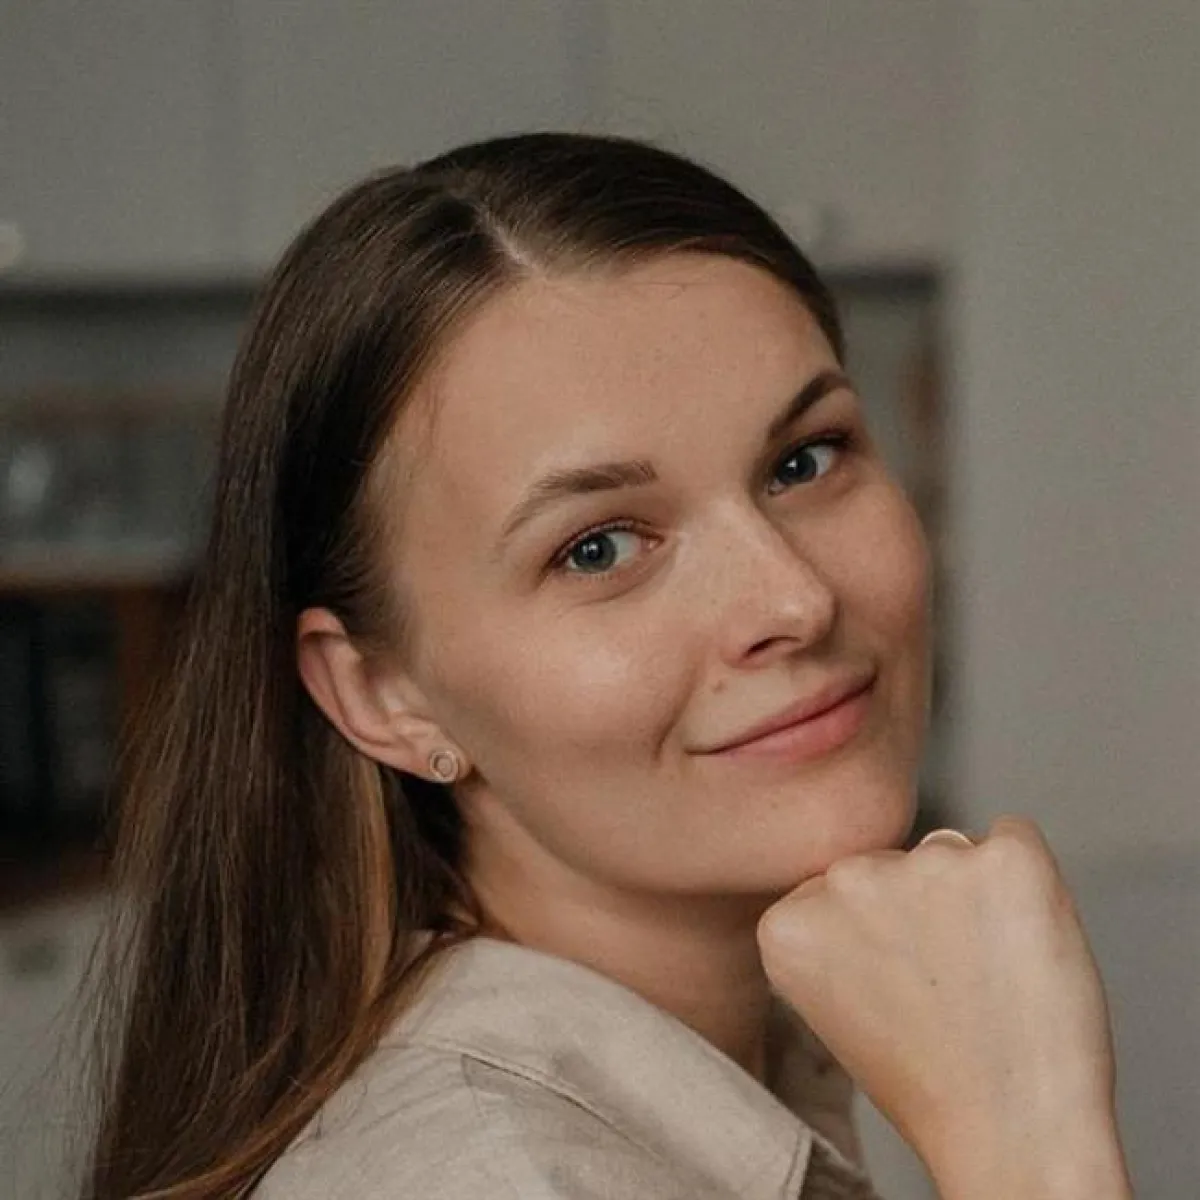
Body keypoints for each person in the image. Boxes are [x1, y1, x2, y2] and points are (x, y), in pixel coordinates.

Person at [78, 132, 1133, 1199]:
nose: (795, 601)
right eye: (599, 548)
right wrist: (1031, 1149)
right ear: (381, 695)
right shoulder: (486, 1182)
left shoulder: (777, 1057)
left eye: (803, 461)